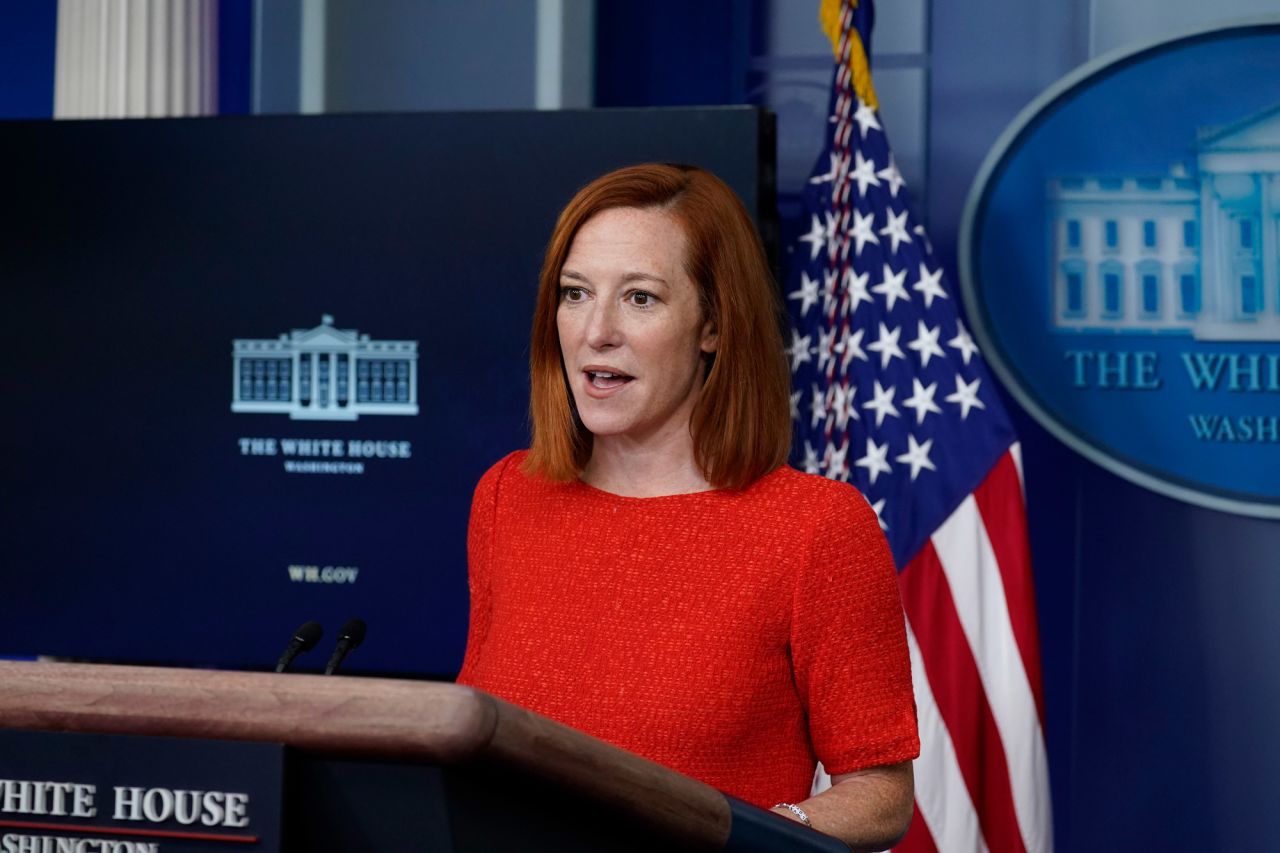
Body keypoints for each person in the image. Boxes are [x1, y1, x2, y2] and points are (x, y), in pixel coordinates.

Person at [457, 163, 918, 849]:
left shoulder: (816, 526)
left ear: (713, 324)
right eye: (575, 293)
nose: (596, 331)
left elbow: (882, 795)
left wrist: (759, 839)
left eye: (640, 299)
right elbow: (475, 732)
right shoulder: (507, 496)